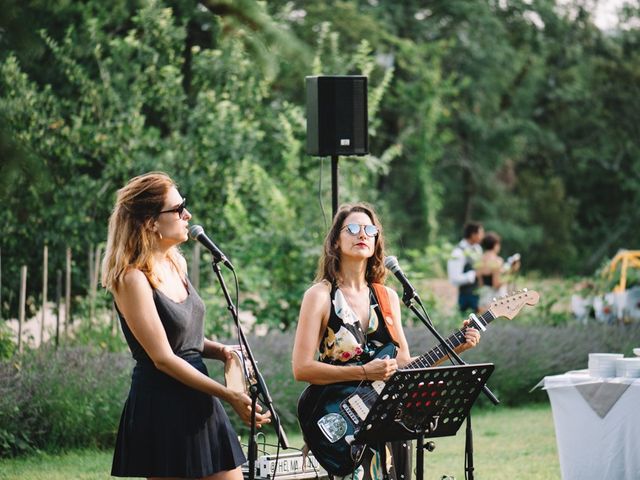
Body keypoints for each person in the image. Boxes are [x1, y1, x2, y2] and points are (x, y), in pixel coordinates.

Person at [292, 203, 481, 480]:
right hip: (341, 421)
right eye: (353, 229)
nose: (363, 235)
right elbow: (301, 368)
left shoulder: (386, 297)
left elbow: (402, 363)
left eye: (370, 230)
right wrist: (364, 372)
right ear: (335, 240)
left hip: (388, 418)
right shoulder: (319, 296)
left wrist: (456, 346)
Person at [101, 172, 270, 479]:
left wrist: (223, 351)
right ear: (151, 222)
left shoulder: (176, 263)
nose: (187, 215)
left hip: (198, 394)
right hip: (162, 404)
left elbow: (184, 338)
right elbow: (163, 357)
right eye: (178, 209)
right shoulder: (132, 279)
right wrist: (228, 394)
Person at [447, 221, 484, 313]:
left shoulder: (478, 249)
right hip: (465, 297)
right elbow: (454, 279)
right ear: (473, 235)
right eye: (480, 233)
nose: (483, 236)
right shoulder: (458, 252)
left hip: (480, 294)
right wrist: (475, 274)